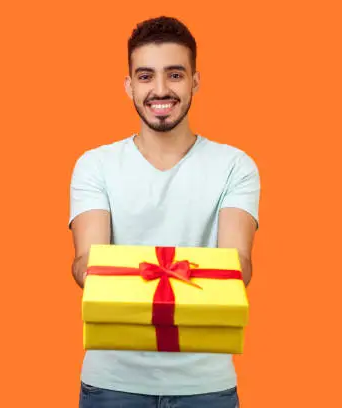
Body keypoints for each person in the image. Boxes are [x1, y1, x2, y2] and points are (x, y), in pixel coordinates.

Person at [68, 15, 260, 408]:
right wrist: (170, 275)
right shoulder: (95, 165)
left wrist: (143, 275)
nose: (160, 90)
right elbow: (87, 261)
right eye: (145, 76)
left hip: (205, 385)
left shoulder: (235, 165)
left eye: (174, 75)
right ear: (128, 86)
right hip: (112, 383)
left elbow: (237, 265)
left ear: (195, 82)